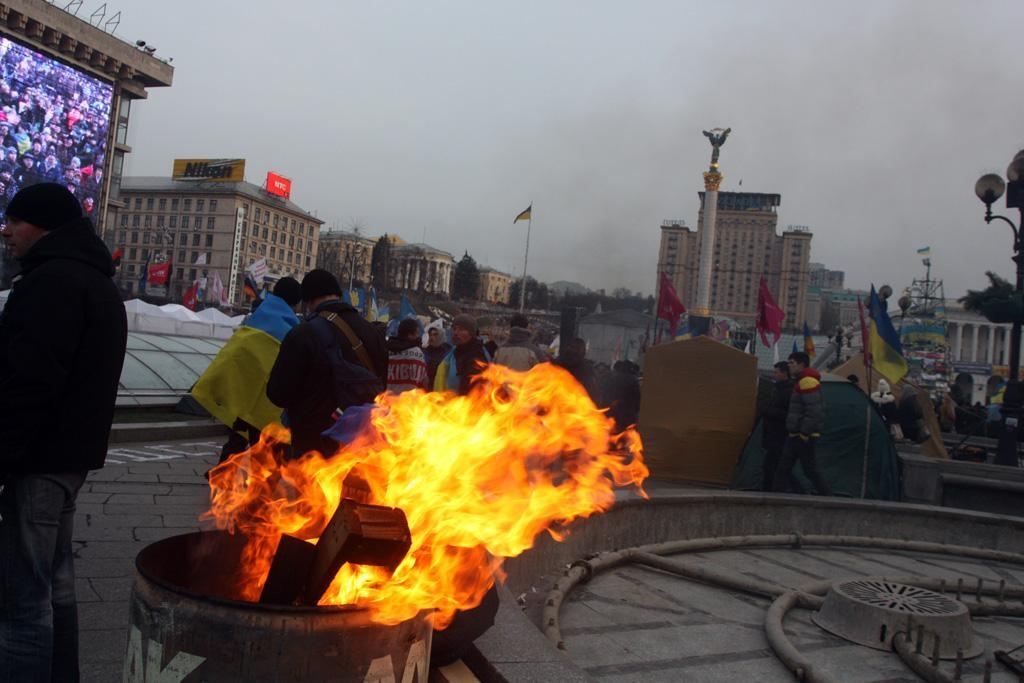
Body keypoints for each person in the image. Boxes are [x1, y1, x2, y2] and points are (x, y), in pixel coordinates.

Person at [0, 183, 127, 680]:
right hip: (69, 457)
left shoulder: (50, 283)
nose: (6, 230)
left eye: (15, 220)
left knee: (21, 601)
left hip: (38, 458)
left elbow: (29, 382)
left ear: (44, 225)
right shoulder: (95, 282)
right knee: (58, 587)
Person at [267, 270, 387, 459]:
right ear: (338, 294)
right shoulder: (374, 333)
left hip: (313, 446)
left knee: (312, 488)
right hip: (362, 444)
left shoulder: (303, 333)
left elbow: (277, 393)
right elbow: (381, 387)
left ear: (307, 300)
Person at [193, 277, 303, 465]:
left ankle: (222, 472)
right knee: (263, 446)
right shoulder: (292, 329)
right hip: (266, 404)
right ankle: (257, 484)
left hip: (241, 396)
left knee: (238, 437)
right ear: (296, 302)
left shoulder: (255, 318)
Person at [773, 352, 832, 496]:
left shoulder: (807, 382)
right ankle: (777, 496)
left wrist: (804, 433)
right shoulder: (801, 381)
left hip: (802, 435)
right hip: (797, 433)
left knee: (806, 469)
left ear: (801, 364)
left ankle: (828, 496)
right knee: (786, 468)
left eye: (792, 362)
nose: (789, 365)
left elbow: (813, 411)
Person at [433, 314, 490, 395]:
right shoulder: (454, 353)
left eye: (461, 329)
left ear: (471, 333)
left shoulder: (477, 355)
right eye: (454, 329)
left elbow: (475, 391)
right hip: (447, 404)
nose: (456, 333)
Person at [760, 362, 793, 492]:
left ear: (784, 373)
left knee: (773, 465)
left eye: (776, 372)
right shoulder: (777, 389)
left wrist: (768, 410)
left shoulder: (788, 391)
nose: (774, 375)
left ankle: (771, 491)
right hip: (772, 434)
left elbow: (787, 413)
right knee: (775, 465)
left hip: (779, 435)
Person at [387, 318, 428, 393]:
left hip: (387, 400)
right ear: (410, 335)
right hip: (408, 401)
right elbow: (424, 381)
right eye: (417, 333)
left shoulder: (387, 350)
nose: (418, 336)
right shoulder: (418, 353)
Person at [553, 337, 599, 402]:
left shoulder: (587, 370)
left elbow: (593, 392)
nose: (573, 351)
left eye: (577, 349)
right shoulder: (556, 364)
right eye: (572, 347)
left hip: (576, 404)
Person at [601, 360, 642, 433]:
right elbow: (637, 400)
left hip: (611, 412)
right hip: (627, 415)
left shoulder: (611, 378)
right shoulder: (633, 381)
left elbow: (604, 395)